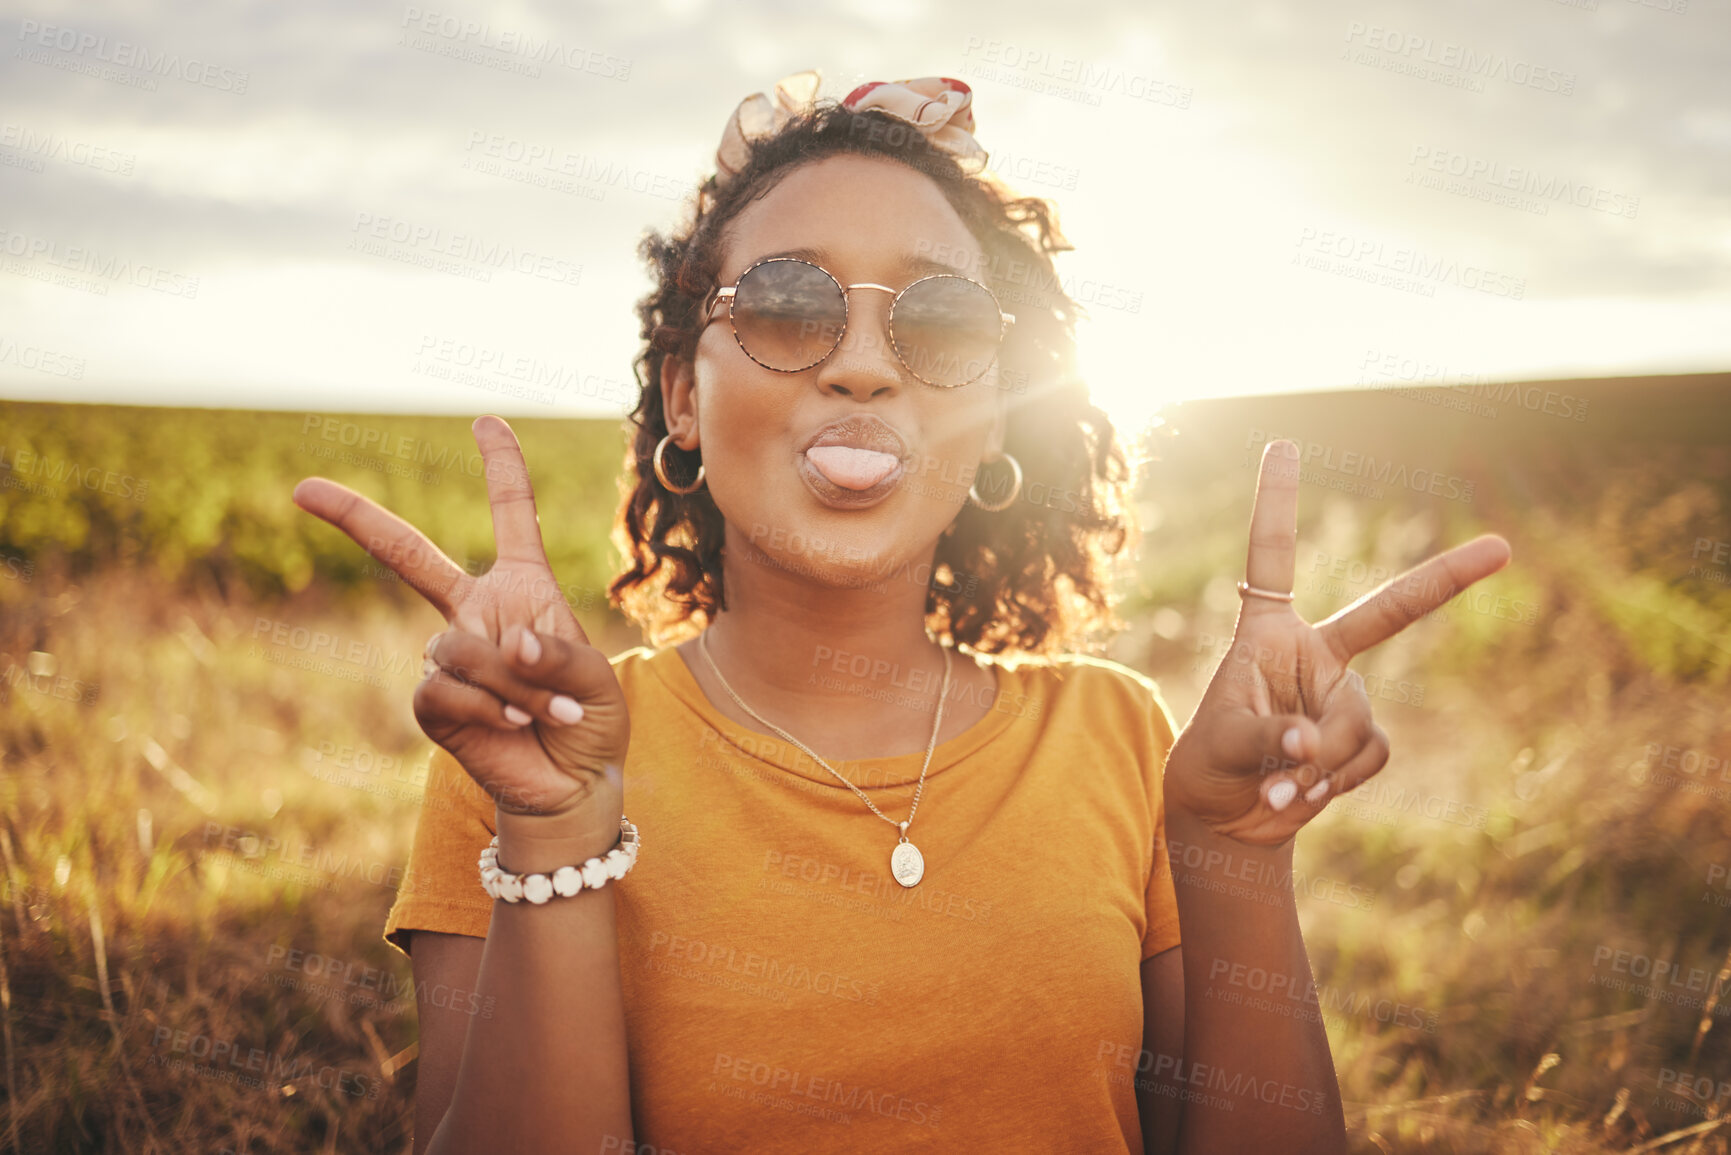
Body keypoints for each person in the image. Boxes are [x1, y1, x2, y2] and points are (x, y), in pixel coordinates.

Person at [292, 70, 1511, 1155]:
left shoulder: (1124, 742)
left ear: (995, 417)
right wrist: (556, 835)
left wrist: (1235, 862)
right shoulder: (524, 763)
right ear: (682, 395)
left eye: (937, 322)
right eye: (783, 305)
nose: (864, 365)